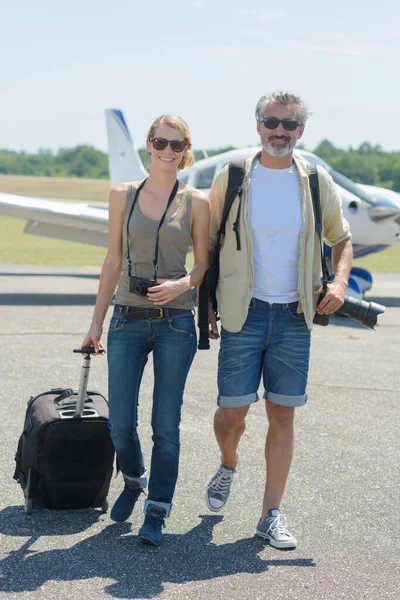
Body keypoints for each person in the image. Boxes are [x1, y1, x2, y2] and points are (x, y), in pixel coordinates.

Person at [205, 91, 352, 549]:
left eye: (289, 125)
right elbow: (207, 245)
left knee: (282, 415)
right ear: (258, 126)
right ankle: (228, 464)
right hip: (241, 313)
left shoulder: (314, 181)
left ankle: (271, 514)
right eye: (272, 122)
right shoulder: (231, 178)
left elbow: (342, 240)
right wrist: (205, 304)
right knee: (231, 413)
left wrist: (340, 283)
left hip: (294, 316)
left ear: (301, 131)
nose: (280, 131)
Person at [82, 115, 209, 546]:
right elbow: (112, 260)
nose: (168, 151)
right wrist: (95, 324)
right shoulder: (123, 195)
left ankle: (157, 508)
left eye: (177, 145)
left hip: (176, 323)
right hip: (126, 320)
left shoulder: (196, 201)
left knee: (165, 425)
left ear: (186, 149)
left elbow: (204, 262)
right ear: (149, 145)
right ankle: (133, 479)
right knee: (119, 423)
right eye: (160, 142)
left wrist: (182, 283)